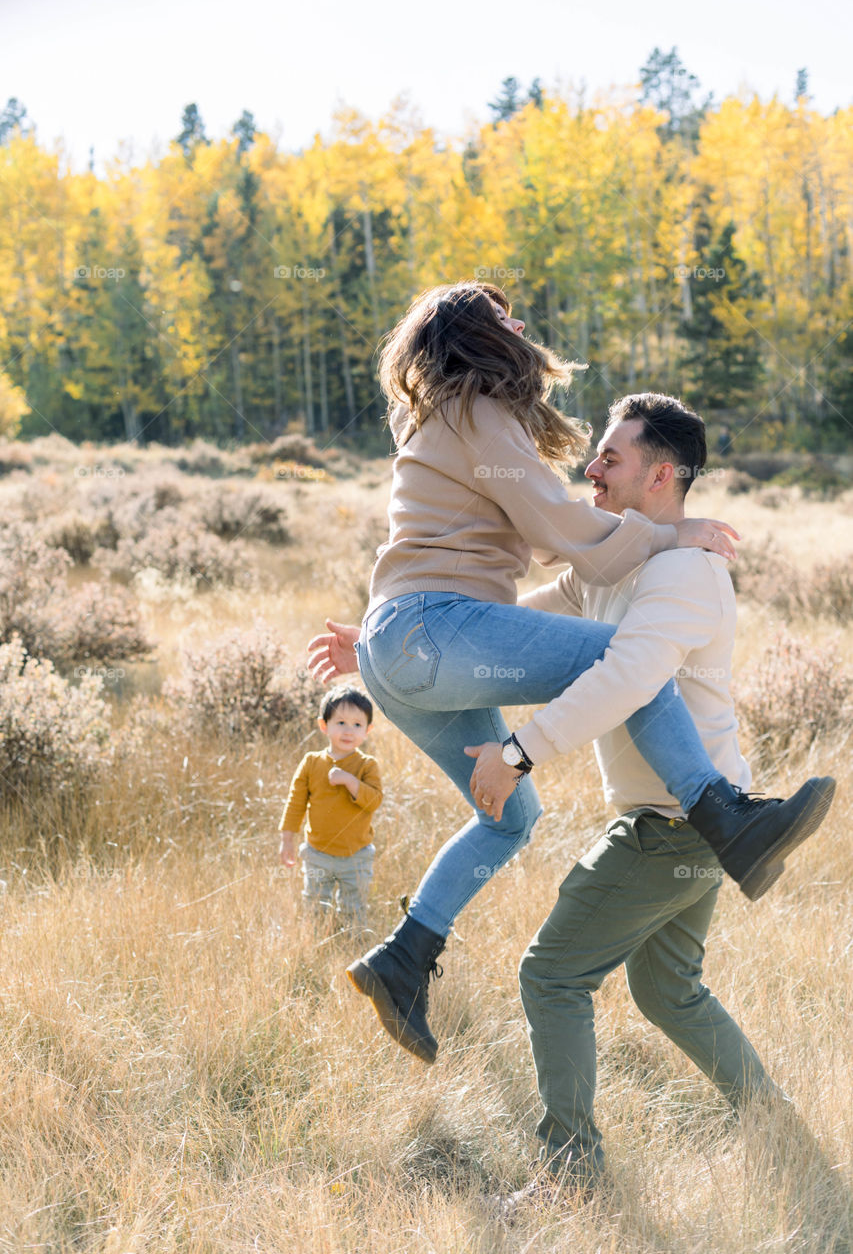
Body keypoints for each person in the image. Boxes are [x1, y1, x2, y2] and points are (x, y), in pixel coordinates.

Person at [306, 281, 833, 1066]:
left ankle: (404, 957)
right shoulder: (473, 406)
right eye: (501, 315)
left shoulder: (446, 413)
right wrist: (669, 533)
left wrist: (382, 650)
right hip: (424, 629)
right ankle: (720, 813)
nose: (519, 325)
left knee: (509, 818)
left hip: (411, 642)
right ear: (472, 333)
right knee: (615, 658)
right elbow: (554, 526)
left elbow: (541, 574)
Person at [505, 393, 790, 1200]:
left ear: (661, 475)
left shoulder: (682, 572)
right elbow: (520, 622)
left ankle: (570, 1175)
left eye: (610, 458)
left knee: (550, 976)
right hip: (695, 825)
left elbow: (626, 679)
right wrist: (392, 642)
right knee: (668, 988)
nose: (590, 469)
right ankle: (771, 1124)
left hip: (678, 824)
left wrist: (518, 752)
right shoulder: (614, 558)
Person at [278, 685, 382, 929]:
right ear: (324, 725)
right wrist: (287, 838)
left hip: (357, 854)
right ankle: (315, 941)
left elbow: (374, 801)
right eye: (341, 722)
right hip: (318, 853)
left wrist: (350, 782)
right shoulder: (312, 762)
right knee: (315, 904)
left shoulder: (367, 766)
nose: (349, 731)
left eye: (357, 725)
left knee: (354, 907)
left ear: (368, 730)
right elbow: (295, 802)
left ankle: (352, 942)